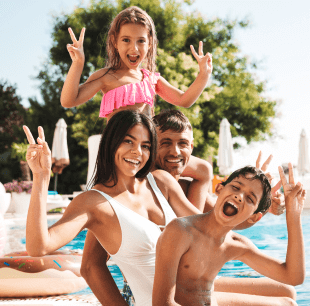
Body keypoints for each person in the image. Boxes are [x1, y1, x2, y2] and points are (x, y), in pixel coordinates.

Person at [80, 109, 310, 306]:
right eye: (164, 143)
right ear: (151, 146)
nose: (176, 153)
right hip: (153, 294)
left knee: (287, 292)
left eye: (184, 145)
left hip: (185, 282)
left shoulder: (172, 188)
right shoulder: (120, 197)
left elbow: (213, 226)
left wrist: (262, 201)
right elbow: (91, 266)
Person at [23, 110, 200, 306]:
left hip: (194, 291)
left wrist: (252, 199)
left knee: (264, 297)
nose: (137, 152)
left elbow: (207, 228)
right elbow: (39, 247)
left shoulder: (161, 182)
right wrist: (41, 177)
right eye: (128, 141)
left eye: (146, 145)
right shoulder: (94, 203)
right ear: (111, 143)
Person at [153, 165, 310, 306]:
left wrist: (294, 216)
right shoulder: (180, 231)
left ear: (254, 217)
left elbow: (293, 277)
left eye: (251, 199)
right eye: (235, 187)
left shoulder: (236, 244)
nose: (240, 196)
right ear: (220, 189)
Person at [60, 6, 212, 209]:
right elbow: (69, 100)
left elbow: (184, 100)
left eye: (141, 41)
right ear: (114, 41)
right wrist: (78, 64)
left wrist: (203, 75)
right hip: (125, 153)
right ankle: (191, 225)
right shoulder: (106, 77)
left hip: (151, 151)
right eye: (126, 40)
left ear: (150, 44)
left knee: (203, 170)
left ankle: (193, 226)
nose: (134, 48)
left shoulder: (150, 79)